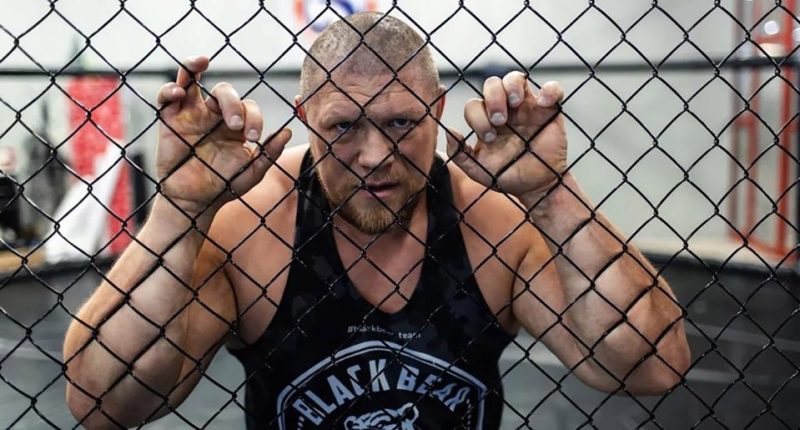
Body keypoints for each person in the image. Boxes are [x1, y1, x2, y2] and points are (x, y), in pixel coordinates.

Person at [63, 12, 690, 430]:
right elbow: (103, 401)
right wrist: (179, 210)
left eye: (399, 123)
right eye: (343, 127)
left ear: (438, 111)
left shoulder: (491, 220)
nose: (374, 156)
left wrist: (553, 193)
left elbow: (650, 365)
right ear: (307, 117)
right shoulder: (250, 226)